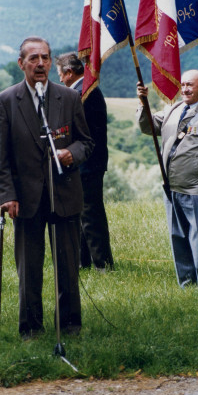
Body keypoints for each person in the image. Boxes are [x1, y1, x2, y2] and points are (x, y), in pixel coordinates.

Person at [0, 37, 94, 338]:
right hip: (25, 199)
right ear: (21, 63)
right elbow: (2, 157)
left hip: (64, 193)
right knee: (30, 268)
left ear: (52, 62)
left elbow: (86, 143)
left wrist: (70, 154)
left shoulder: (69, 97)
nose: (40, 64)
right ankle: (31, 329)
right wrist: (7, 195)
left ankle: (70, 326)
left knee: (67, 266)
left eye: (46, 58)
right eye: (34, 58)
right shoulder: (6, 101)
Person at [136, 70, 198, 288]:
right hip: (172, 188)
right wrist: (143, 103)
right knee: (177, 236)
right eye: (183, 85)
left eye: (190, 85)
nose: (185, 89)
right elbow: (148, 127)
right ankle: (186, 283)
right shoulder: (173, 110)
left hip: (197, 189)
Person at [55, 52, 114, 271]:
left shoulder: (84, 93)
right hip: (85, 162)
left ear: (69, 72)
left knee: (91, 214)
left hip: (88, 164)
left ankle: (102, 265)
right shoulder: (85, 90)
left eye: (61, 74)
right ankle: (83, 261)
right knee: (81, 213)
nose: (60, 79)